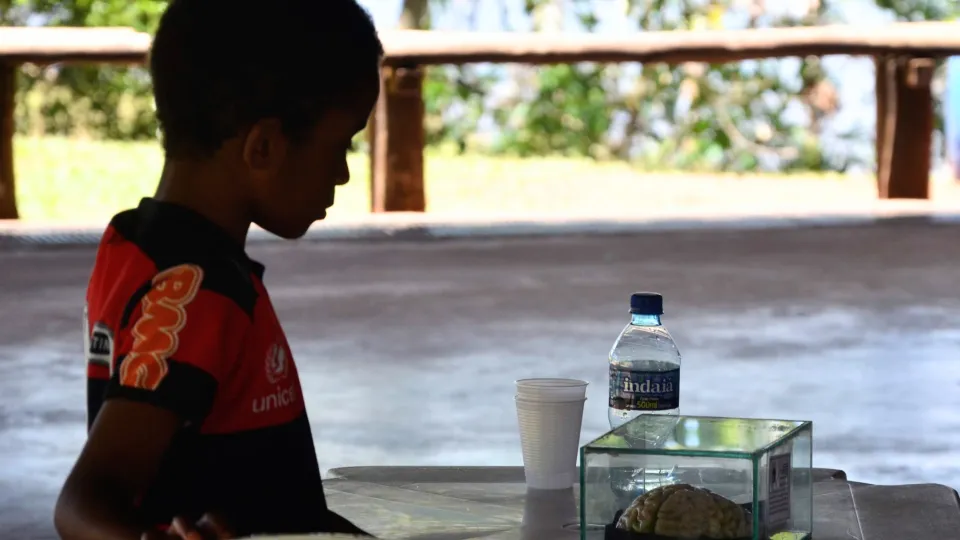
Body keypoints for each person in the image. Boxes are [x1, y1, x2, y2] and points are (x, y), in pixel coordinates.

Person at [54, 0, 382, 538]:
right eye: (341, 144)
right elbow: (83, 501)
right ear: (263, 147)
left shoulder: (132, 243)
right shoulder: (196, 291)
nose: (343, 174)